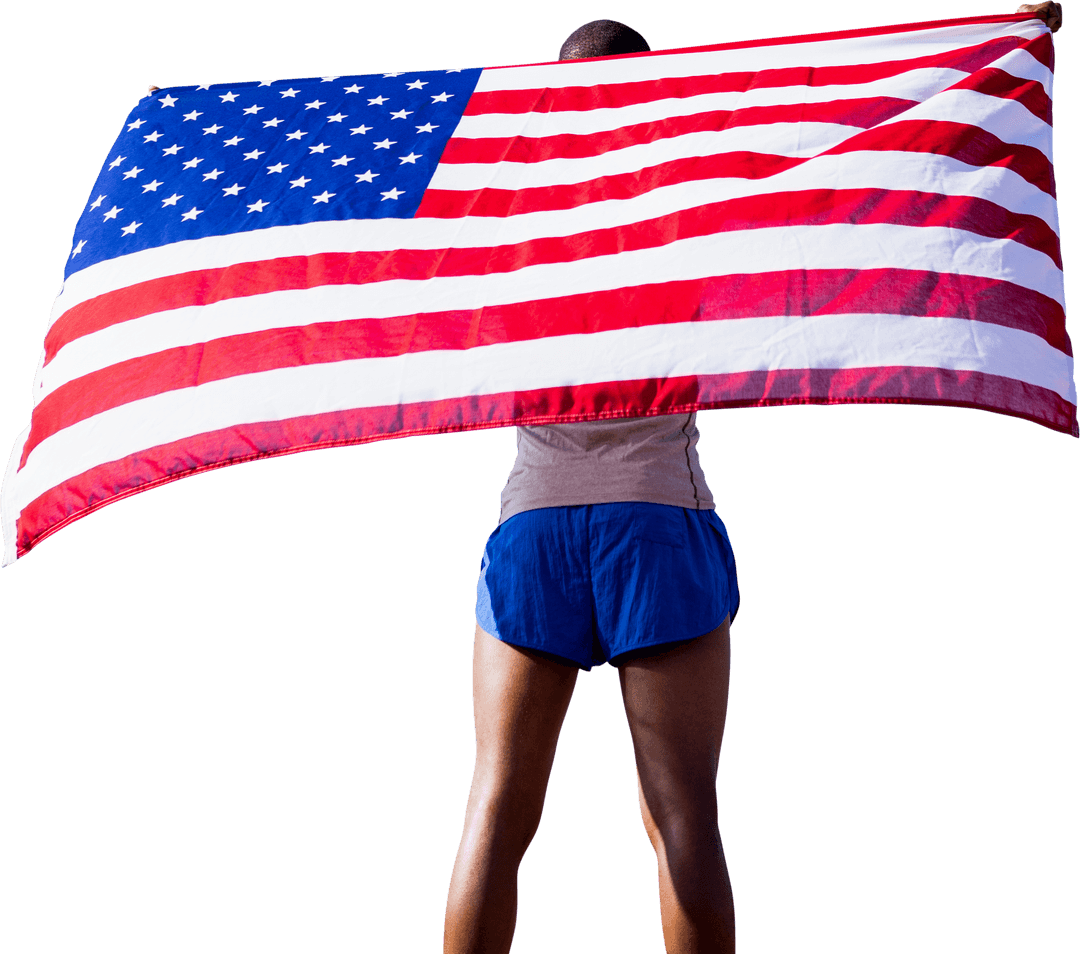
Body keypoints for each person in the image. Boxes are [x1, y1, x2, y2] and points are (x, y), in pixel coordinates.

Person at [442, 8, 1063, 954]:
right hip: (661, 522)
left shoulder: (514, 208)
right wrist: (1001, 44)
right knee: (683, 815)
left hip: (537, 525)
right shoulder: (699, 192)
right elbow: (848, 148)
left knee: (496, 807)